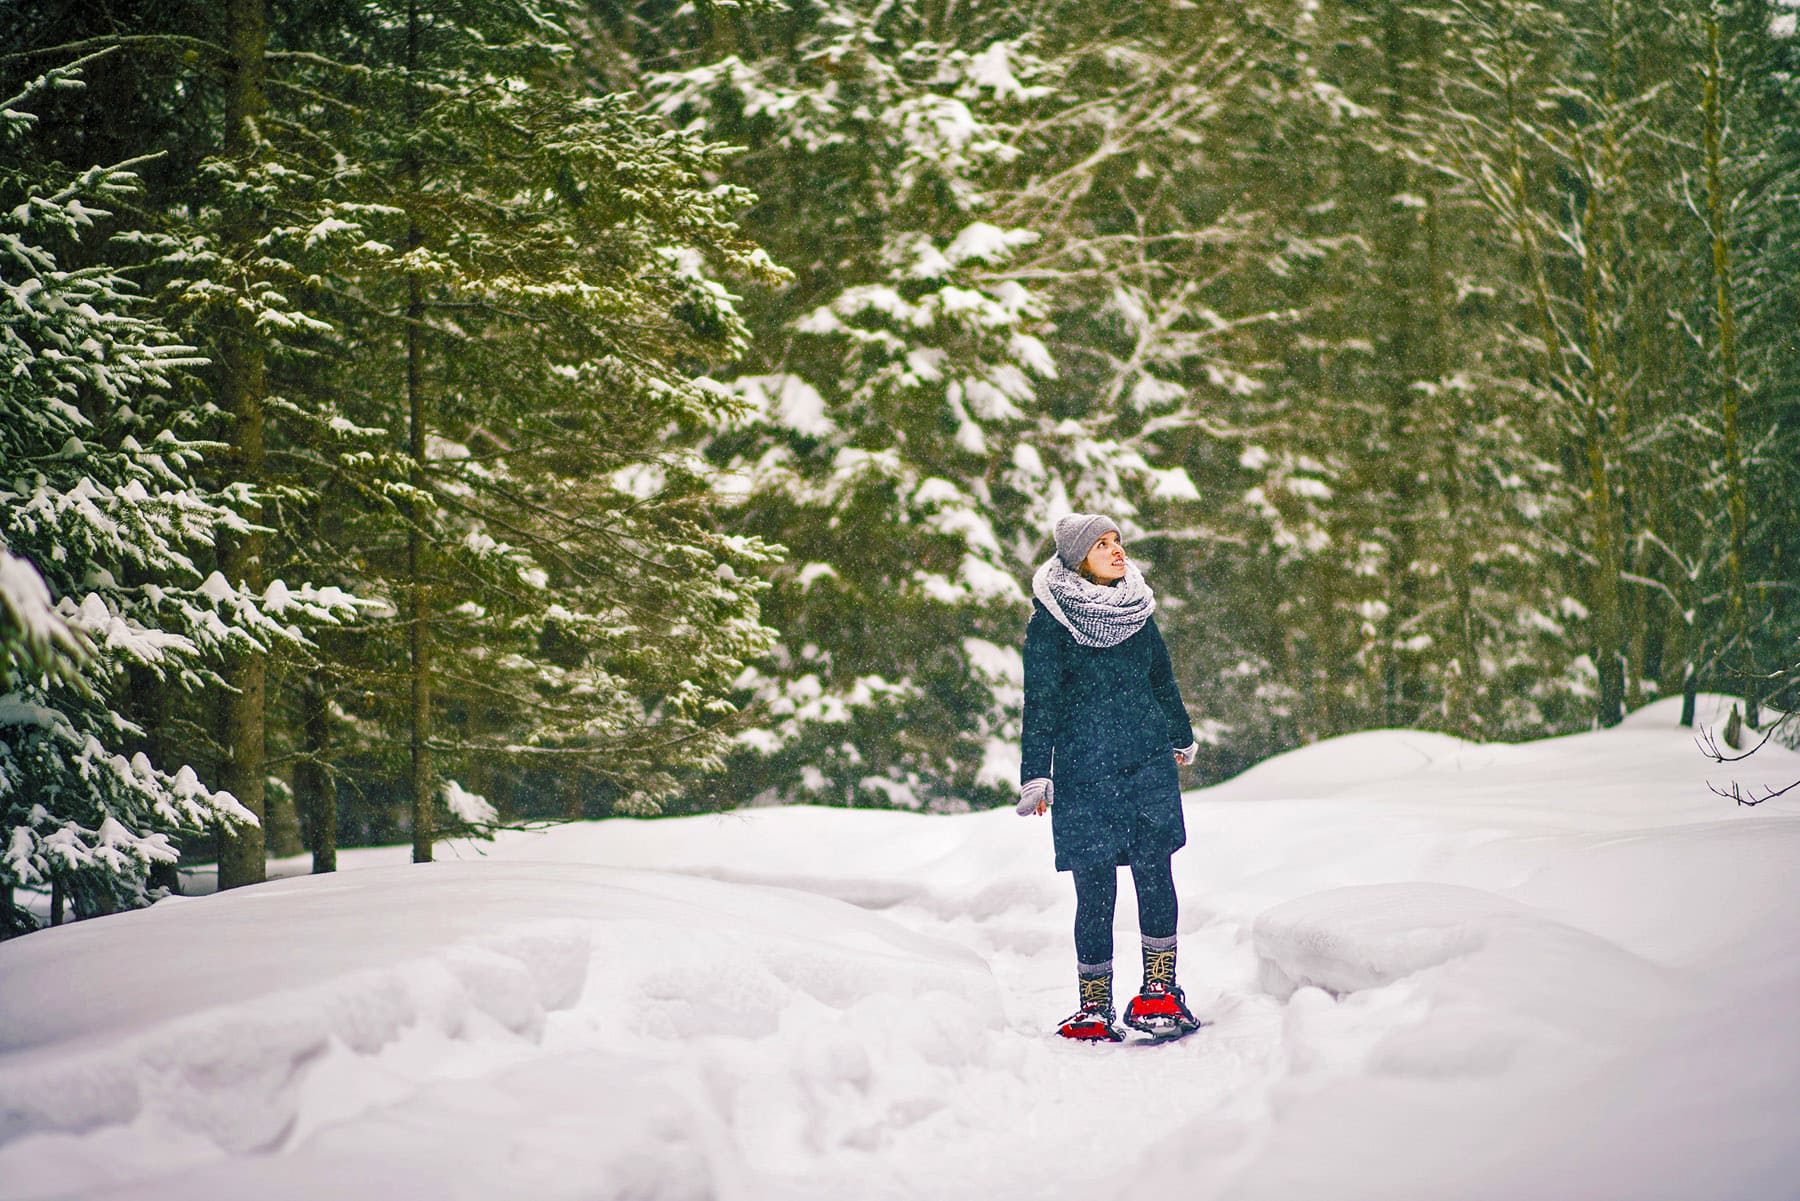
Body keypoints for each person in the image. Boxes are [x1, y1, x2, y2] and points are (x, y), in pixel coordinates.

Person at [1017, 512, 1201, 1041]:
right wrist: (1036, 774)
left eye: (1117, 540)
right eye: (1102, 544)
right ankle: (1094, 1008)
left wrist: (1180, 735)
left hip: (1147, 763)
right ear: (1079, 558)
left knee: (1155, 872)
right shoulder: (1050, 623)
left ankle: (1159, 993)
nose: (1117, 550)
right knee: (1094, 889)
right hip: (1084, 770)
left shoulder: (1139, 611)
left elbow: (1162, 681)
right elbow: (1041, 703)